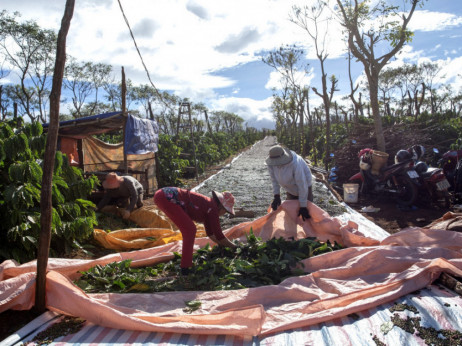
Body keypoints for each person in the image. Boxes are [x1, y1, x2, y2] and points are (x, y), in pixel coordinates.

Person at [153, 187, 237, 274]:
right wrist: (234, 247)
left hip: (164, 195)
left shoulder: (210, 207)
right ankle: (185, 268)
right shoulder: (213, 208)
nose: (224, 214)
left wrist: (221, 245)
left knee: (190, 229)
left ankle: (186, 265)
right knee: (190, 230)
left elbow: (210, 233)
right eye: (226, 211)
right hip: (167, 196)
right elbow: (219, 234)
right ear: (222, 207)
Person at [266, 145, 313, 221]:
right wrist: (276, 195)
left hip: (305, 188)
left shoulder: (295, 164)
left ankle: (308, 231)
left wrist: (303, 206)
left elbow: (302, 185)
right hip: (290, 189)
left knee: (307, 215)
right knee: (290, 215)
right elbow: (274, 180)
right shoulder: (271, 165)